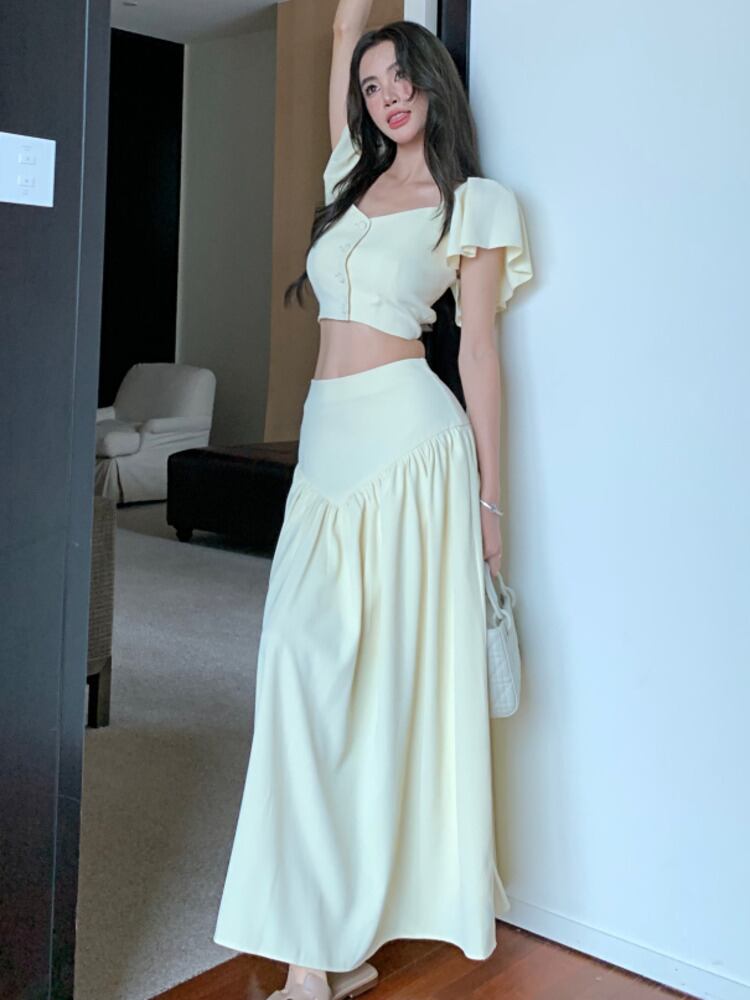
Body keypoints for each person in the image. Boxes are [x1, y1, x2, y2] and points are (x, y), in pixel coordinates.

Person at [213, 3, 533, 999]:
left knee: (382, 691)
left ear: (435, 82)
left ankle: (318, 964)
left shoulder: (475, 204)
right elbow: (344, 27)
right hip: (326, 448)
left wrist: (491, 503)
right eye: (371, 83)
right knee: (296, 665)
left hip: (410, 449)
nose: (388, 95)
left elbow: (479, 356)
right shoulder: (346, 179)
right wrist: (353, 32)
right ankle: (322, 948)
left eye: (402, 78)